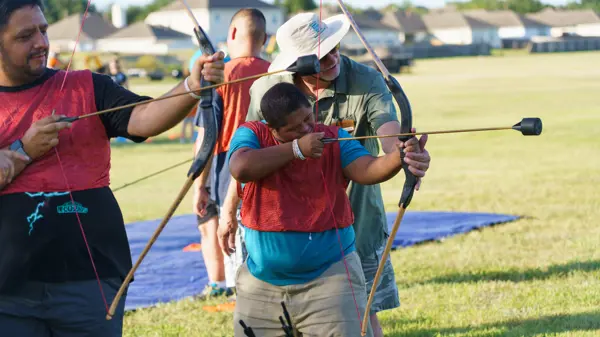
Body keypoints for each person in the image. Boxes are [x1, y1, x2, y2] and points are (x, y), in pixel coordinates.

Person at [0, 1, 225, 337]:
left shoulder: (88, 86)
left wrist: (192, 87)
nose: (42, 42)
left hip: (91, 279)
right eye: (25, 35)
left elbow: (143, 118)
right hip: (8, 290)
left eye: (44, 30)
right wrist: (23, 150)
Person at [218, 12, 431, 337]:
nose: (332, 58)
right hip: (272, 226)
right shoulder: (268, 90)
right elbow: (245, 158)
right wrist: (229, 210)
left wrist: (403, 153)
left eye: (334, 47)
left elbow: (387, 137)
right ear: (295, 64)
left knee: (363, 314)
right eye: (320, 54)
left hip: (354, 216)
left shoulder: (366, 81)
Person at [192, 7, 270, 301]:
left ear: (233, 33)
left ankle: (228, 287)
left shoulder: (220, 74)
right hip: (271, 160)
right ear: (265, 38)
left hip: (228, 163)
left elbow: (206, 135)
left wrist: (198, 183)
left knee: (222, 224)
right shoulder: (277, 72)